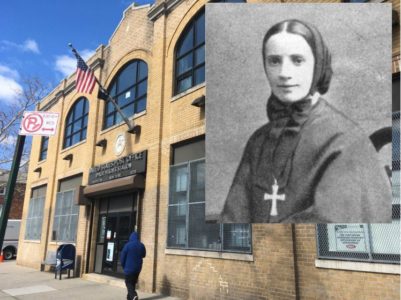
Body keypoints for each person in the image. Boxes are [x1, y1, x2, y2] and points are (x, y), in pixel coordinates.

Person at [220, 19, 392, 223]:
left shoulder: (345, 139)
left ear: (317, 65)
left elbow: (333, 221)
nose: (284, 74)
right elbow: (232, 218)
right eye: (274, 61)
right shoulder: (258, 142)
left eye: (297, 60)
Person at [120, 232, 146, 300]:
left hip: (129, 268)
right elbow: (144, 255)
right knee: (133, 283)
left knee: (128, 283)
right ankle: (129, 298)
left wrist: (123, 266)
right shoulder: (141, 245)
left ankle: (134, 296)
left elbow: (122, 257)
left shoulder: (127, 245)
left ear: (130, 237)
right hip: (137, 268)